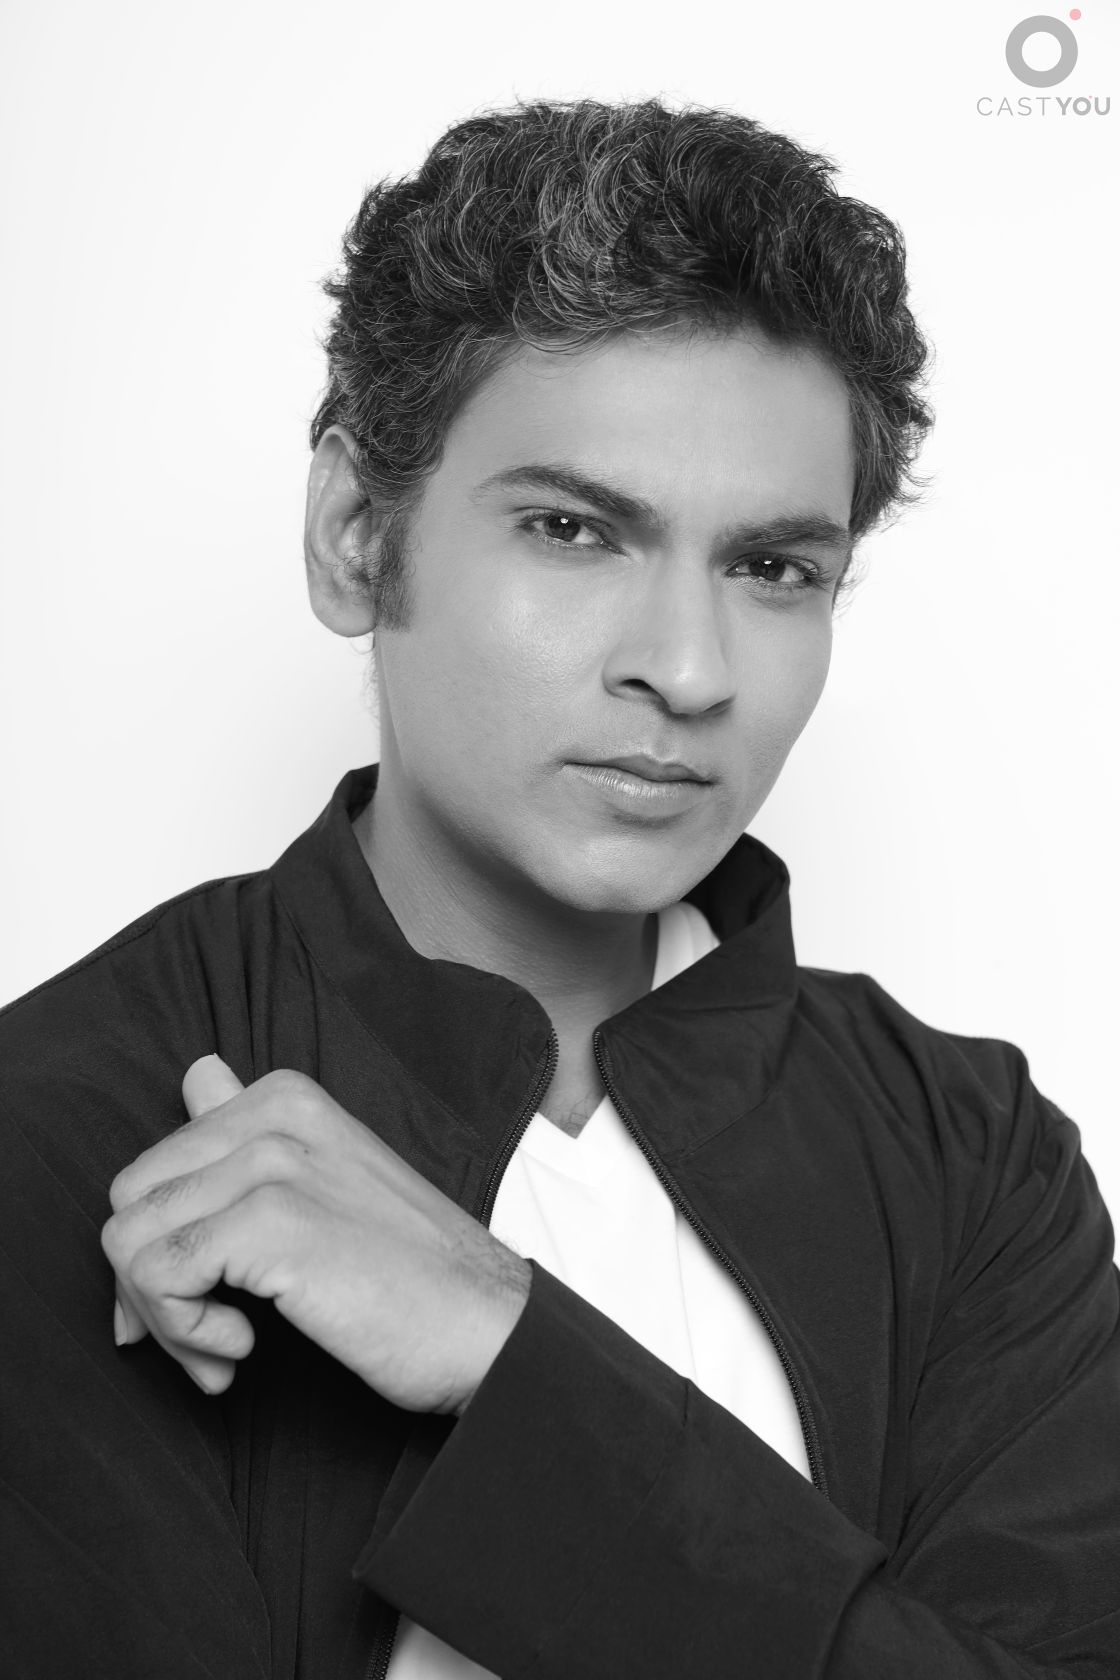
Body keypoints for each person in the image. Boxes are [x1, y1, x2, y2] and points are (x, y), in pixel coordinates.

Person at [1, 96, 1117, 1680]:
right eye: (575, 530)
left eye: (775, 568)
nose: (688, 668)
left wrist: (504, 1347)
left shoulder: (972, 1159)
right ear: (355, 536)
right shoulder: (65, 1127)